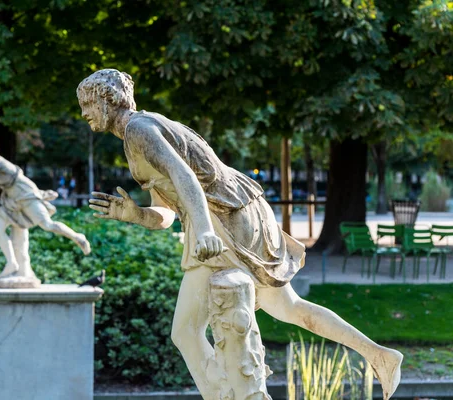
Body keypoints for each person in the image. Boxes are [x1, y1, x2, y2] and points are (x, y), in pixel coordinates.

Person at [78, 69, 402, 400]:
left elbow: (185, 177)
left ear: (109, 99)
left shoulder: (139, 130)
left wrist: (204, 230)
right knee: (288, 308)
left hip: (223, 217)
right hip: (232, 213)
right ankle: (378, 354)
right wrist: (135, 215)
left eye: (87, 103)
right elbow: (166, 212)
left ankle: (229, 396)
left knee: (186, 332)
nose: (84, 113)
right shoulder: (140, 134)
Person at [0, 134, 91, 279]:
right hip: (11, 199)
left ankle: (78, 237)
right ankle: (12, 264)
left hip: (24, 193)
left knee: (47, 225)